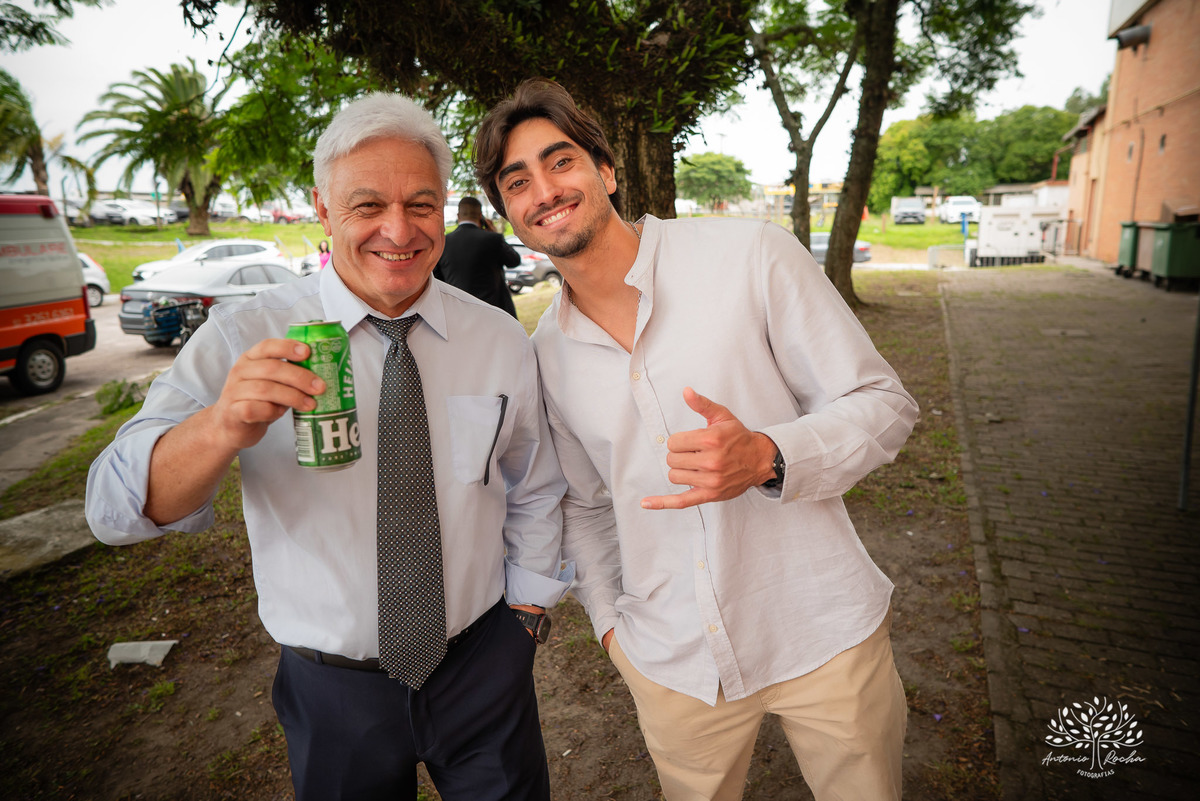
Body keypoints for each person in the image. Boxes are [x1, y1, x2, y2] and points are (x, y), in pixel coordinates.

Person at [86, 92, 572, 801]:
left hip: (482, 668)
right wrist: (221, 425)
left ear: (443, 208)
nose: (398, 230)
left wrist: (524, 617)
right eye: (367, 205)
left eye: (421, 204)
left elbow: (533, 480)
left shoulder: (496, 336)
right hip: (333, 692)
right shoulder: (244, 336)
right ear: (322, 208)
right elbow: (113, 509)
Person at [474, 78, 919, 801]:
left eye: (560, 162)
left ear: (606, 170)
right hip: (672, 661)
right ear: (509, 214)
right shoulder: (545, 352)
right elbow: (582, 505)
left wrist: (770, 455)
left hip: (822, 627)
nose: (544, 190)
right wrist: (614, 631)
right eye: (517, 181)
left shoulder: (751, 255)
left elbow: (883, 402)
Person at [437, 196, 520, 318]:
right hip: (495, 314)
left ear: (458, 216)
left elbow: (438, 281)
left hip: (460, 316)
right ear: (480, 216)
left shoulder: (443, 244)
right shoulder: (492, 239)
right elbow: (514, 261)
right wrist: (494, 233)